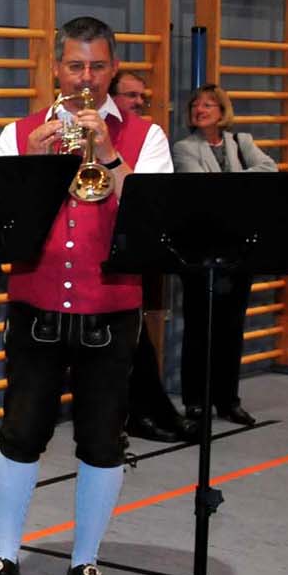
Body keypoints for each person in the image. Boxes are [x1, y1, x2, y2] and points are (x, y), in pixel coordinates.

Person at [0, 16, 172, 575]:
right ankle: (4, 553)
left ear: (112, 69)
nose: (85, 79)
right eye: (74, 67)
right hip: (35, 305)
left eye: (96, 67)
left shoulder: (148, 136)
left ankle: (86, 558)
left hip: (110, 311)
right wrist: (31, 170)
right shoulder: (19, 133)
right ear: (55, 68)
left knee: (101, 441)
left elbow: (153, 222)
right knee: (20, 435)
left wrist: (110, 153)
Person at [172, 83, 276, 428]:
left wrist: (235, 183)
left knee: (232, 327)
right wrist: (242, 187)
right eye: (196, 105)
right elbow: (203, 187)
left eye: (209, 104)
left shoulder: (241, 142)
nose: (200, 110)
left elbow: (269, 171)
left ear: (222, 111)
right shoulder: (185, 147)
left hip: (237, 248)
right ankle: (195, 401)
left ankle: (228, 399)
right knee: (199, 326)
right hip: (199, 249)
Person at [106, 69, 192, 444]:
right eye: (131, 95)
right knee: (128, 347)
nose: (139, 102)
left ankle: (151, 411)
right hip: (100, 257)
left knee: (135, 341)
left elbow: (151, 202)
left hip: (135, 254)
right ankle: (142, 414)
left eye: (142, 96)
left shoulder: (147, 137)